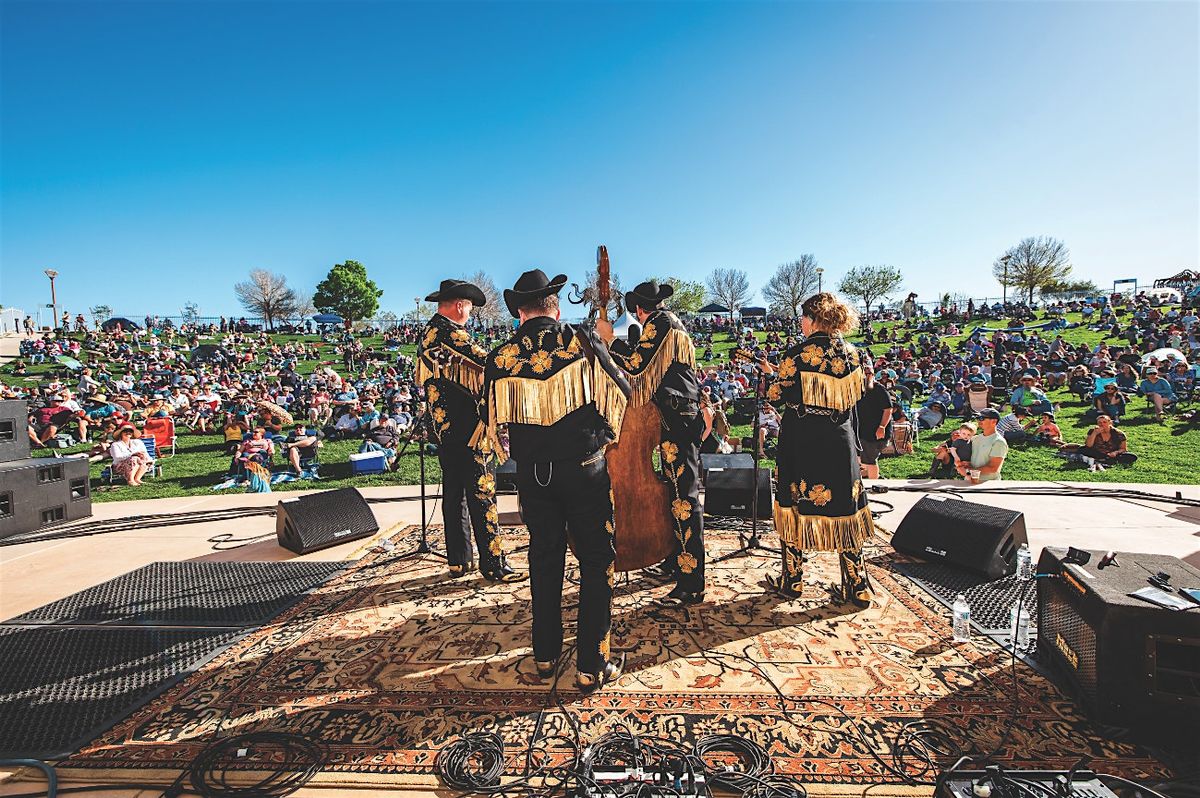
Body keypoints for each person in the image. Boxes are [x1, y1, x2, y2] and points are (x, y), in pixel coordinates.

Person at [480, 269, 631, 691]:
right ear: (555, 305)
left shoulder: (502, 356)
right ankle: (591, 663)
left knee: (544, 560)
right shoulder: (580, 340)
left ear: (519, 312)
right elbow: (621, 390)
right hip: (585, 469)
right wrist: (603, 430)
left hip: (532, 476)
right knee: (597, 560)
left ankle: (545, 656)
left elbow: (488, 417)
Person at [759, 292, 873, 606]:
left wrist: (770, 374)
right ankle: (857, 584)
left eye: (802, 317)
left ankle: (792, 580)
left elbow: (774, 393)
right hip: (839, 439)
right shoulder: (852, 353)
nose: (800, 323)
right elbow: (854, 399)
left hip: (803, 439)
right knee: (846, 509)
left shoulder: (797, 353)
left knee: (793, 505)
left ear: (812, 319)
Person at [416, 279, 524, 583]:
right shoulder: (450, 334)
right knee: (482, 494)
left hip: (445, 430)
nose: (471, 313)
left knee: (455, 495)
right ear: (460, 305)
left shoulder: (430, 332)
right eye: (470, 307)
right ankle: (493, 564)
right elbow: (487, 363)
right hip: (469, 430)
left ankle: (459, 560)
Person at [605, 279, 705, 607]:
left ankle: (692, 582)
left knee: (683, 499)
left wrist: (609, 341)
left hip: (677, 423)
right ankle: (676, 561)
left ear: (638, 309)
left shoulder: (659, 323)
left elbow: (636, 365)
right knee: (675, 494)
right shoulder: (670, 322)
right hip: (679, 419)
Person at [854, 364, 893, 479]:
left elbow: (888, 409)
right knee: (858, 459)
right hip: (860, 430)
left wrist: (882, 427)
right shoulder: (857, 390)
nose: (867, 376)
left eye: (870, 373)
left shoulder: (879, 389)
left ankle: (873, 484)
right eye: (865, 373)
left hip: (874, 431)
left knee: (870, 460)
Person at [958, 408, 1008, 483]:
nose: (979, 421)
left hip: (988, 484)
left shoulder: (999, 442)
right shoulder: (975, 438)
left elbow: (993, 468)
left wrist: (968, 471)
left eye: (982, 418)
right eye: (978, 418)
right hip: (970, 481)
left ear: (994, 421)